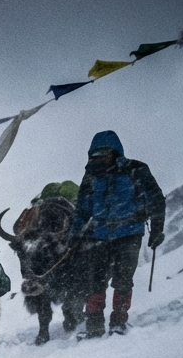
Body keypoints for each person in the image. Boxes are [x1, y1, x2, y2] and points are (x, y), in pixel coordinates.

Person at [71, 130, 166, 337]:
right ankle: (94, 325)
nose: (100, 158)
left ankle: (118, 322)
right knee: (95, 280)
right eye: (95, 155)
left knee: (123, 279)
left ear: (115, 152)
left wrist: (157, 230)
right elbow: (81, 210)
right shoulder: (90, 176)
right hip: (99, 235)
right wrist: (74, 236)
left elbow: (156, 199)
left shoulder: (136, 169)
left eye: (104, 153)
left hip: (129, 233)